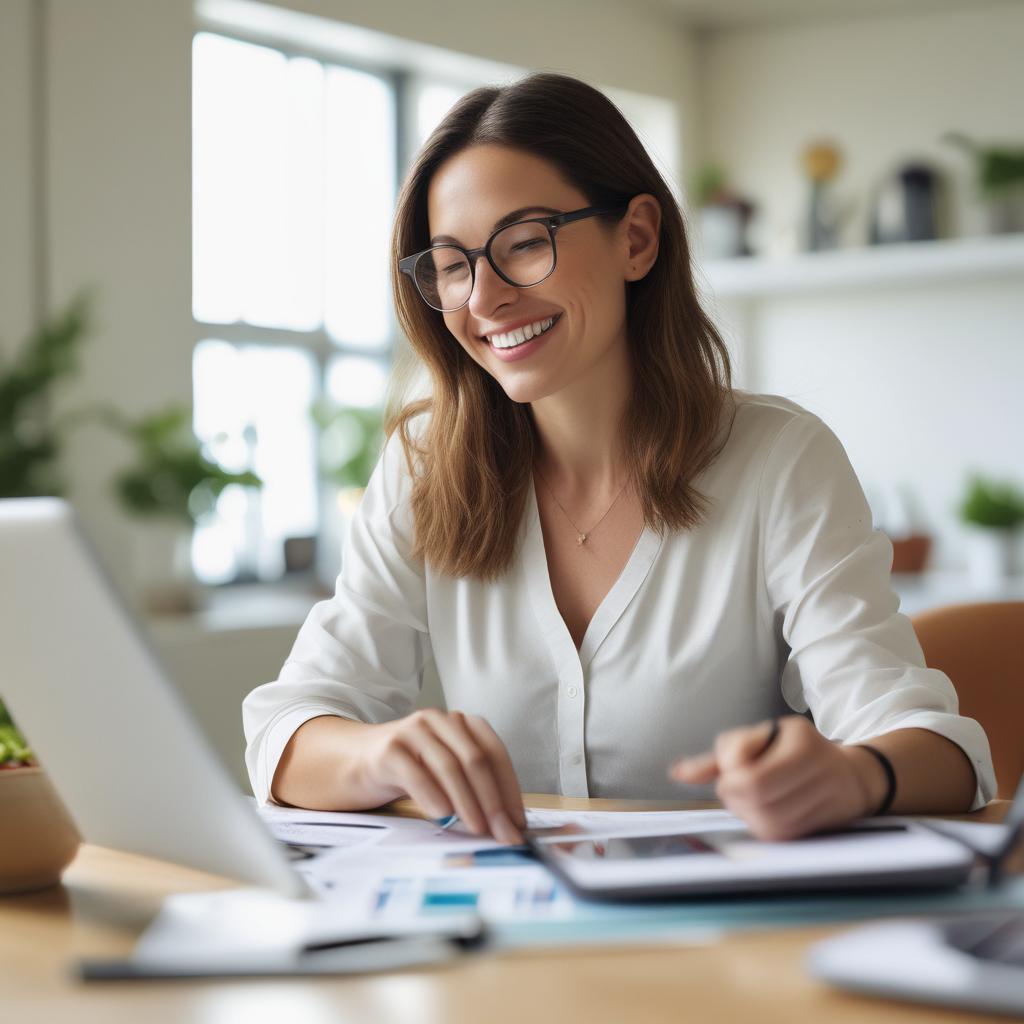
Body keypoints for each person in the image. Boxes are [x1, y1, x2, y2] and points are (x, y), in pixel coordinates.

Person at [243, 73, 994, 847]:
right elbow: (285, 731)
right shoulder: (425, 465)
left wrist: (853, 775)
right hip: (498, 942)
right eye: (452, 264)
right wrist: (380, 753)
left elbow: (940, 750)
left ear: (636, 238)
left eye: (526, 243)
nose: (485, 298)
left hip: (724, 946)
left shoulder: (779, 461)